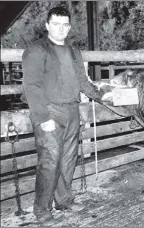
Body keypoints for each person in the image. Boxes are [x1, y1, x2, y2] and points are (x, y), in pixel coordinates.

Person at [22, 6, 108, 224]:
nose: (61, 29)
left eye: (65, 25)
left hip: (72, 109)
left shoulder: (73, 50)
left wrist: (100, 95)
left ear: (69, 26)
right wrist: (43, 118)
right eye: (56, 24)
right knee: (49, 161)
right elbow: (31, 87)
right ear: (47, 25)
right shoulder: (36, 50)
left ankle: (64, 200)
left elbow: (82, 80)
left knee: (68, 159)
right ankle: (42, 210)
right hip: (49, 112)